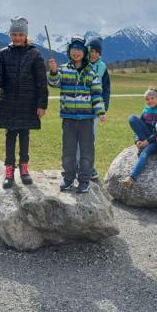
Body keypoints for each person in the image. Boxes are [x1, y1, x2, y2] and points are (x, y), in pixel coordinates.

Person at [0, 17, 48, 189]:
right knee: (10, 136)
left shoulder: (35, 54)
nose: (16, 37)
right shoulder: (3, 53)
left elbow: (41, 82)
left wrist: (42, 104)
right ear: (10, 35)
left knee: (24, 136)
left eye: (20, 34)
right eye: (14, 34)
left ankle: (24, 169)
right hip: (8, 102)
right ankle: (9, 172)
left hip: (28, 103)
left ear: (25, 35)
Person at [48, 36, 106, 194]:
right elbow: (54, 82)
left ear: (84, 52)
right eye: (73, 49)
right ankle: (68, 179)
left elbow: (97, 94)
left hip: (87, 119)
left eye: (79, 50)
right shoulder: (64, 69)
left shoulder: (91, 72)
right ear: (69, 52)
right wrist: (53, 71)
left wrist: (100, 112)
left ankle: (84, 180)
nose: (76, 52)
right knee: (69, 150)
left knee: (87, 151)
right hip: (69, 119)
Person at [124, 88, 157, 188]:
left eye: (152, 98)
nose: (150, 101)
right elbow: (138, 128)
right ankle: (142, 145)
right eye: (147, 99)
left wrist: (148, 142)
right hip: (146, 137)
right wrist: (137, 140)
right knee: (132, 118)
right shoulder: (146, 111)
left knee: (145, 152)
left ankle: (131, 178)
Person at [85, 37, 110, 179]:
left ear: (100, 53)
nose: (93, 54)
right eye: (91, 51)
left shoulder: (103, 68)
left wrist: (103, 108)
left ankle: (89, 167)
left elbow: (106, 90)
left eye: (96, 52)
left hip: (95, 109)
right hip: (80, 108)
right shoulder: (81, 65)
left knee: (91, 139)